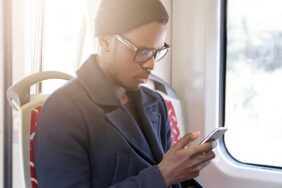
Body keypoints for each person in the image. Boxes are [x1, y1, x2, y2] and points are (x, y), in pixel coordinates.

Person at [34, 0, 216, 187]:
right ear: (106, 40)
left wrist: (181, 171)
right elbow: (163, 174)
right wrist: (163, 175)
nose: (151, 64)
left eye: (155, 52)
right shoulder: (63, 111)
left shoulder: (155, 102)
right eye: (143, 51)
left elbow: (168, 176)